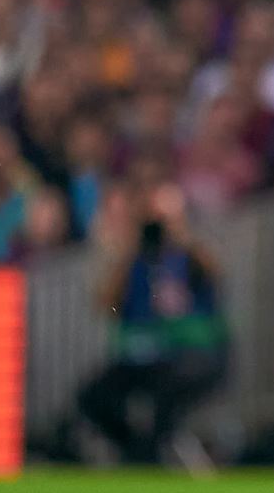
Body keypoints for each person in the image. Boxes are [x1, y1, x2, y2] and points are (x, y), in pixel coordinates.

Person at [78, 182, 228, 465]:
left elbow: (216, 273)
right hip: (145, 357)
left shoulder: (191, 256)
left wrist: (180, 236)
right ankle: (136, 452)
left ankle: (147, 456)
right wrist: (131, 247)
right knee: (93, 397)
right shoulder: (138, 261)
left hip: (189, 355)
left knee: (165, 398)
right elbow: (106, 302)